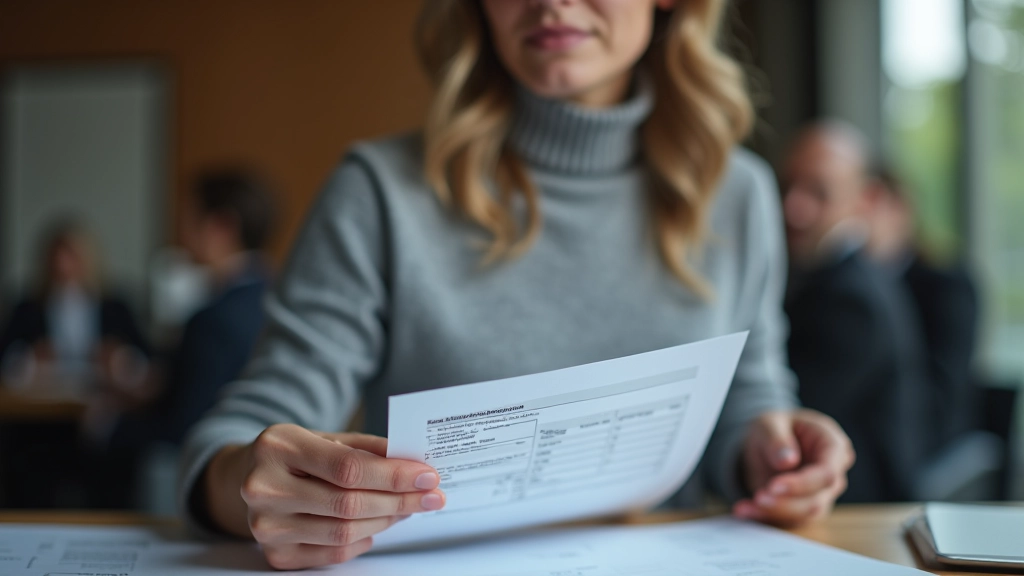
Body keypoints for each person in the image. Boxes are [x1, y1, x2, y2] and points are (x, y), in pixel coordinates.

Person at [182, 1, 855, 569]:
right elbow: (246, 436)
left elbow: (749, 396)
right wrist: (248, 484)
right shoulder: (379, 192)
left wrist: (775, 455)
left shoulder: (741, 194)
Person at [782, 121, 929, 503]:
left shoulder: (850, 300)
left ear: (864, 199)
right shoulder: (844, 280)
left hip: (854, 513)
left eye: (820, 192)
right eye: (789, 186)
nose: (793, 207)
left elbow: (792, 420)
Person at [112, 169, 276, 448]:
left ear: (221, 226)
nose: (180, 233)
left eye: (189, 219)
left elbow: (184, 429)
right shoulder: (276, 295)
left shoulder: (214, 320)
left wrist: (106, 426)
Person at [865, 166, 980, 449]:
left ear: (900, 209)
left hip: (925, 443)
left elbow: (942, 394)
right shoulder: (834, 288)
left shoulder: (946, 284)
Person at [0, 219, 150, 392]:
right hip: (42, 402)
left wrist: (119, 357)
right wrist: (30, 358)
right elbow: (5, 358)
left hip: (104, 399)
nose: (63, 265)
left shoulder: (115, 307)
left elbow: (146, 359)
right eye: (57, 258)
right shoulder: (28, 309)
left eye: (71, 257)